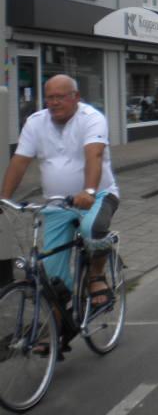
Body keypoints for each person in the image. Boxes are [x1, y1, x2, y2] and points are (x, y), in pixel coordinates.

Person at [0, 75, 120, 339]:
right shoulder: (35, 122)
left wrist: (89, 191)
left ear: (76, 97)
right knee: (51, 271)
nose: (54, 103)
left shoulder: (92, 118)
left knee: (92, 228)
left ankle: (96, 276)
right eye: (49, 97)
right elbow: (20, 161)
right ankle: (59, 330)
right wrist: (4, 197)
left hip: (98, 195)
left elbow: (94, 155)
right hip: (56, 203)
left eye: (60, 97)